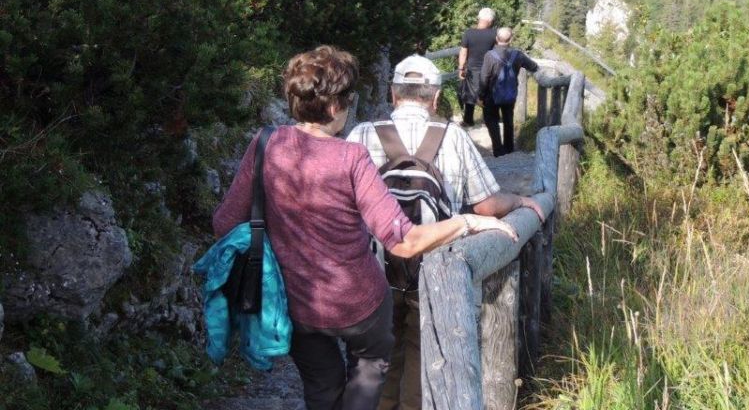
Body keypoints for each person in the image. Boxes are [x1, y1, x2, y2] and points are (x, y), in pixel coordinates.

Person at [213, 46, 518, 410]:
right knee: (371, 364)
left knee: (322, 386)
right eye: (348, 98)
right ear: (332, 107)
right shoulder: (349, 157)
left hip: (296, 301)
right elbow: (403, 241)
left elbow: (224, 224)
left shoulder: (264, 144)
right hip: (359, 304)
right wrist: (468, 221)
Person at [347, 54, 544, 410]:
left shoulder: (361, 134)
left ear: (393, 93)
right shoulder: (452, 136)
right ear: (435, 98)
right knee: (423, 355)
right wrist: (518, 201)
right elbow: (486, 205)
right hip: (433, 269)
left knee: (375, 360)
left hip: (372, 270)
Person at [479, 27, 539, 157]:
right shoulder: (518, 54)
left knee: (492, 121)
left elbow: (484, 77)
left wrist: (481, 95)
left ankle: (498, 150)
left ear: (496, 39)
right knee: (508, 120)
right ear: (511, 39)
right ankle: (509, 148)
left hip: (491, 95)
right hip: (510, 94)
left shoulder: (489, 56)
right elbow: (533, 66)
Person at [457, 7, 497, 127]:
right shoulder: (495, 33)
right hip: (489, 68)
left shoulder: (468, 33)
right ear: (490, 21)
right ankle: (489, 120)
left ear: (479, 18)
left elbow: (463, 52)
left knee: (470, 95)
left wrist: (461, 68)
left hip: (472, 68)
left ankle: (468, 120)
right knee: (487, 94)